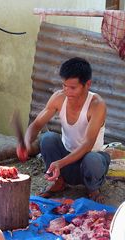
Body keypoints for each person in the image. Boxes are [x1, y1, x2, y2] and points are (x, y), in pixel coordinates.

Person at [19, 57, 110, 203]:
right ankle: (59, 182)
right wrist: (25, 143)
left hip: (90, 162)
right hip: (67, 160)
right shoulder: (59, 97)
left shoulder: (97, 105)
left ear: (87, 84)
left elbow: (87, 145)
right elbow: (36, 125)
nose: (67, 91)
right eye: (64, 86)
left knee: (92, 159)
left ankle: (92, 188)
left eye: (72, 88)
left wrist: (59, 163)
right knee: (47, 138)